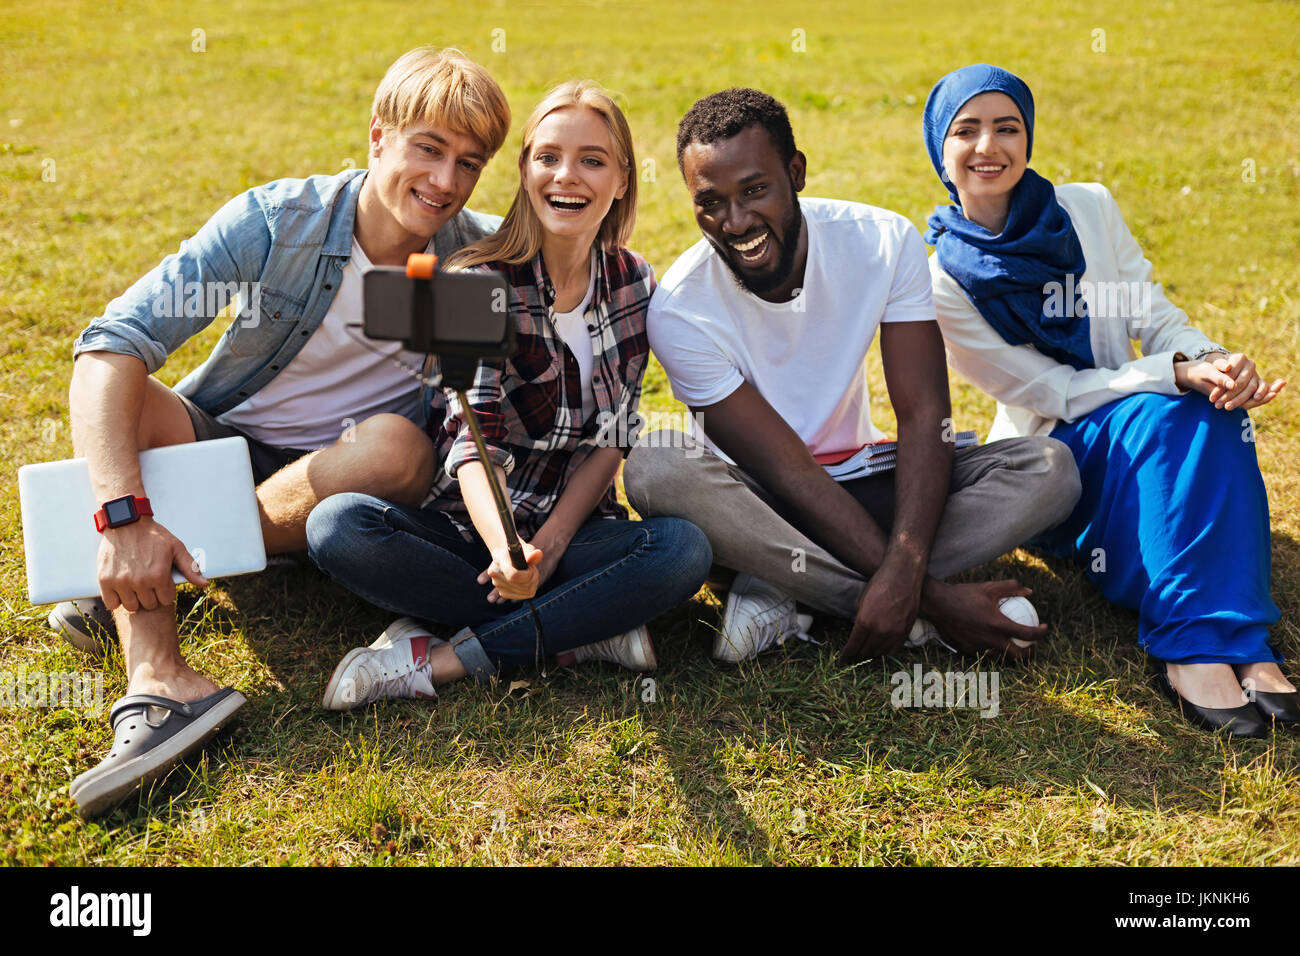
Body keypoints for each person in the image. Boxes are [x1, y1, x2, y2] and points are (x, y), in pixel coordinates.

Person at [62, 47, 512, 816]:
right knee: (130, 398)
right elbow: (111, 343)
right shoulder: (279, 221)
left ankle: (179, 565)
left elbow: (592, 278)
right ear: (378, 137)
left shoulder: (479, 261)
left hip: (349, 484)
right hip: (220, 449)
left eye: (469, 163)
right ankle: (161, 680)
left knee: (398, 446)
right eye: (428, 149)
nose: (445, 183)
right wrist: (123, 518)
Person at [623, 88, 1081, 666]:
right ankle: (894, 606)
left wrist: (906, 564)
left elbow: (923, 418)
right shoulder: (680, 309)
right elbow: (784, 468)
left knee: (1049, 470)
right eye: (710, 201)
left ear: (796, 172)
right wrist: (938, 600)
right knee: (655, 464)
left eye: (755, 190)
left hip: (864, 483)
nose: (735, 222)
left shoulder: (883, 241)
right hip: (756, 505)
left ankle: (790, 590)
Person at [305, 81, 712, 707]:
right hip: (470, 534)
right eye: (547, 157)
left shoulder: (634, 282)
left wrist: (545, 554)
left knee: (682, 551)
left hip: (574, 534)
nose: (566, 176)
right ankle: (585, 629)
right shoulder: (476, 281)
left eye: (592, 160)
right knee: (338, 527)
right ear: (525, 171)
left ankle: (444, 659)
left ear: (623, 179)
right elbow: (472, 442)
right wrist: (505, 552)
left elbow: (615, 439)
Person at [921, 64, 1291, 737]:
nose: (988, 147)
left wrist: (1208, 359)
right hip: (1052, 457)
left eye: (1008, 128)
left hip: (1148, 421)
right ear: (940, 153)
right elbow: (1049, 391)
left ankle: (1228, 640)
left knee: (1208, 410)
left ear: (1028, 139)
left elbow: (1152, 309)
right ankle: (1195, 644)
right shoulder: (943, 278)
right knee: (1171, 410)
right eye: (965, 131)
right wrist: (1166, 374)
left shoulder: (1086, 207)